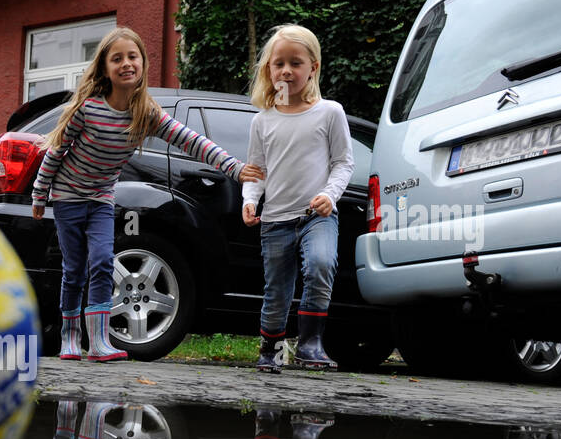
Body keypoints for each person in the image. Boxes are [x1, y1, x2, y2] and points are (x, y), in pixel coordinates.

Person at [32, 27, 264, 361]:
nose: (126, 64)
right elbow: (56, 152)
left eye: (132, 57)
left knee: (101, 262)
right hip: (68, 197)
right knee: (74, 269)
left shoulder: (146, 114)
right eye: (117, 59)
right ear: (105, 68)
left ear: (142, 62)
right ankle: (70, 335)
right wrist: (40, 195)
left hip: (100, 198)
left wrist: (234, 167)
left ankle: (98, 341)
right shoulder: (88, 109)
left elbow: (191, 141)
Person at [241, 25, 354, 373]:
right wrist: (249, 200)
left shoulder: (330, 112)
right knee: (277, 289)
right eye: (279, 64)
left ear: (313, 68)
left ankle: (310, 344)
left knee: (321, 265)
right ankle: (270, 347)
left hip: (316, 216)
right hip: (274, 220)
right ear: (268, 70)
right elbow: (256, 169)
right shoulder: (262, 121)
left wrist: (329, 195)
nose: (286, 70)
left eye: (296, 62)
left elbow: (343, 162)